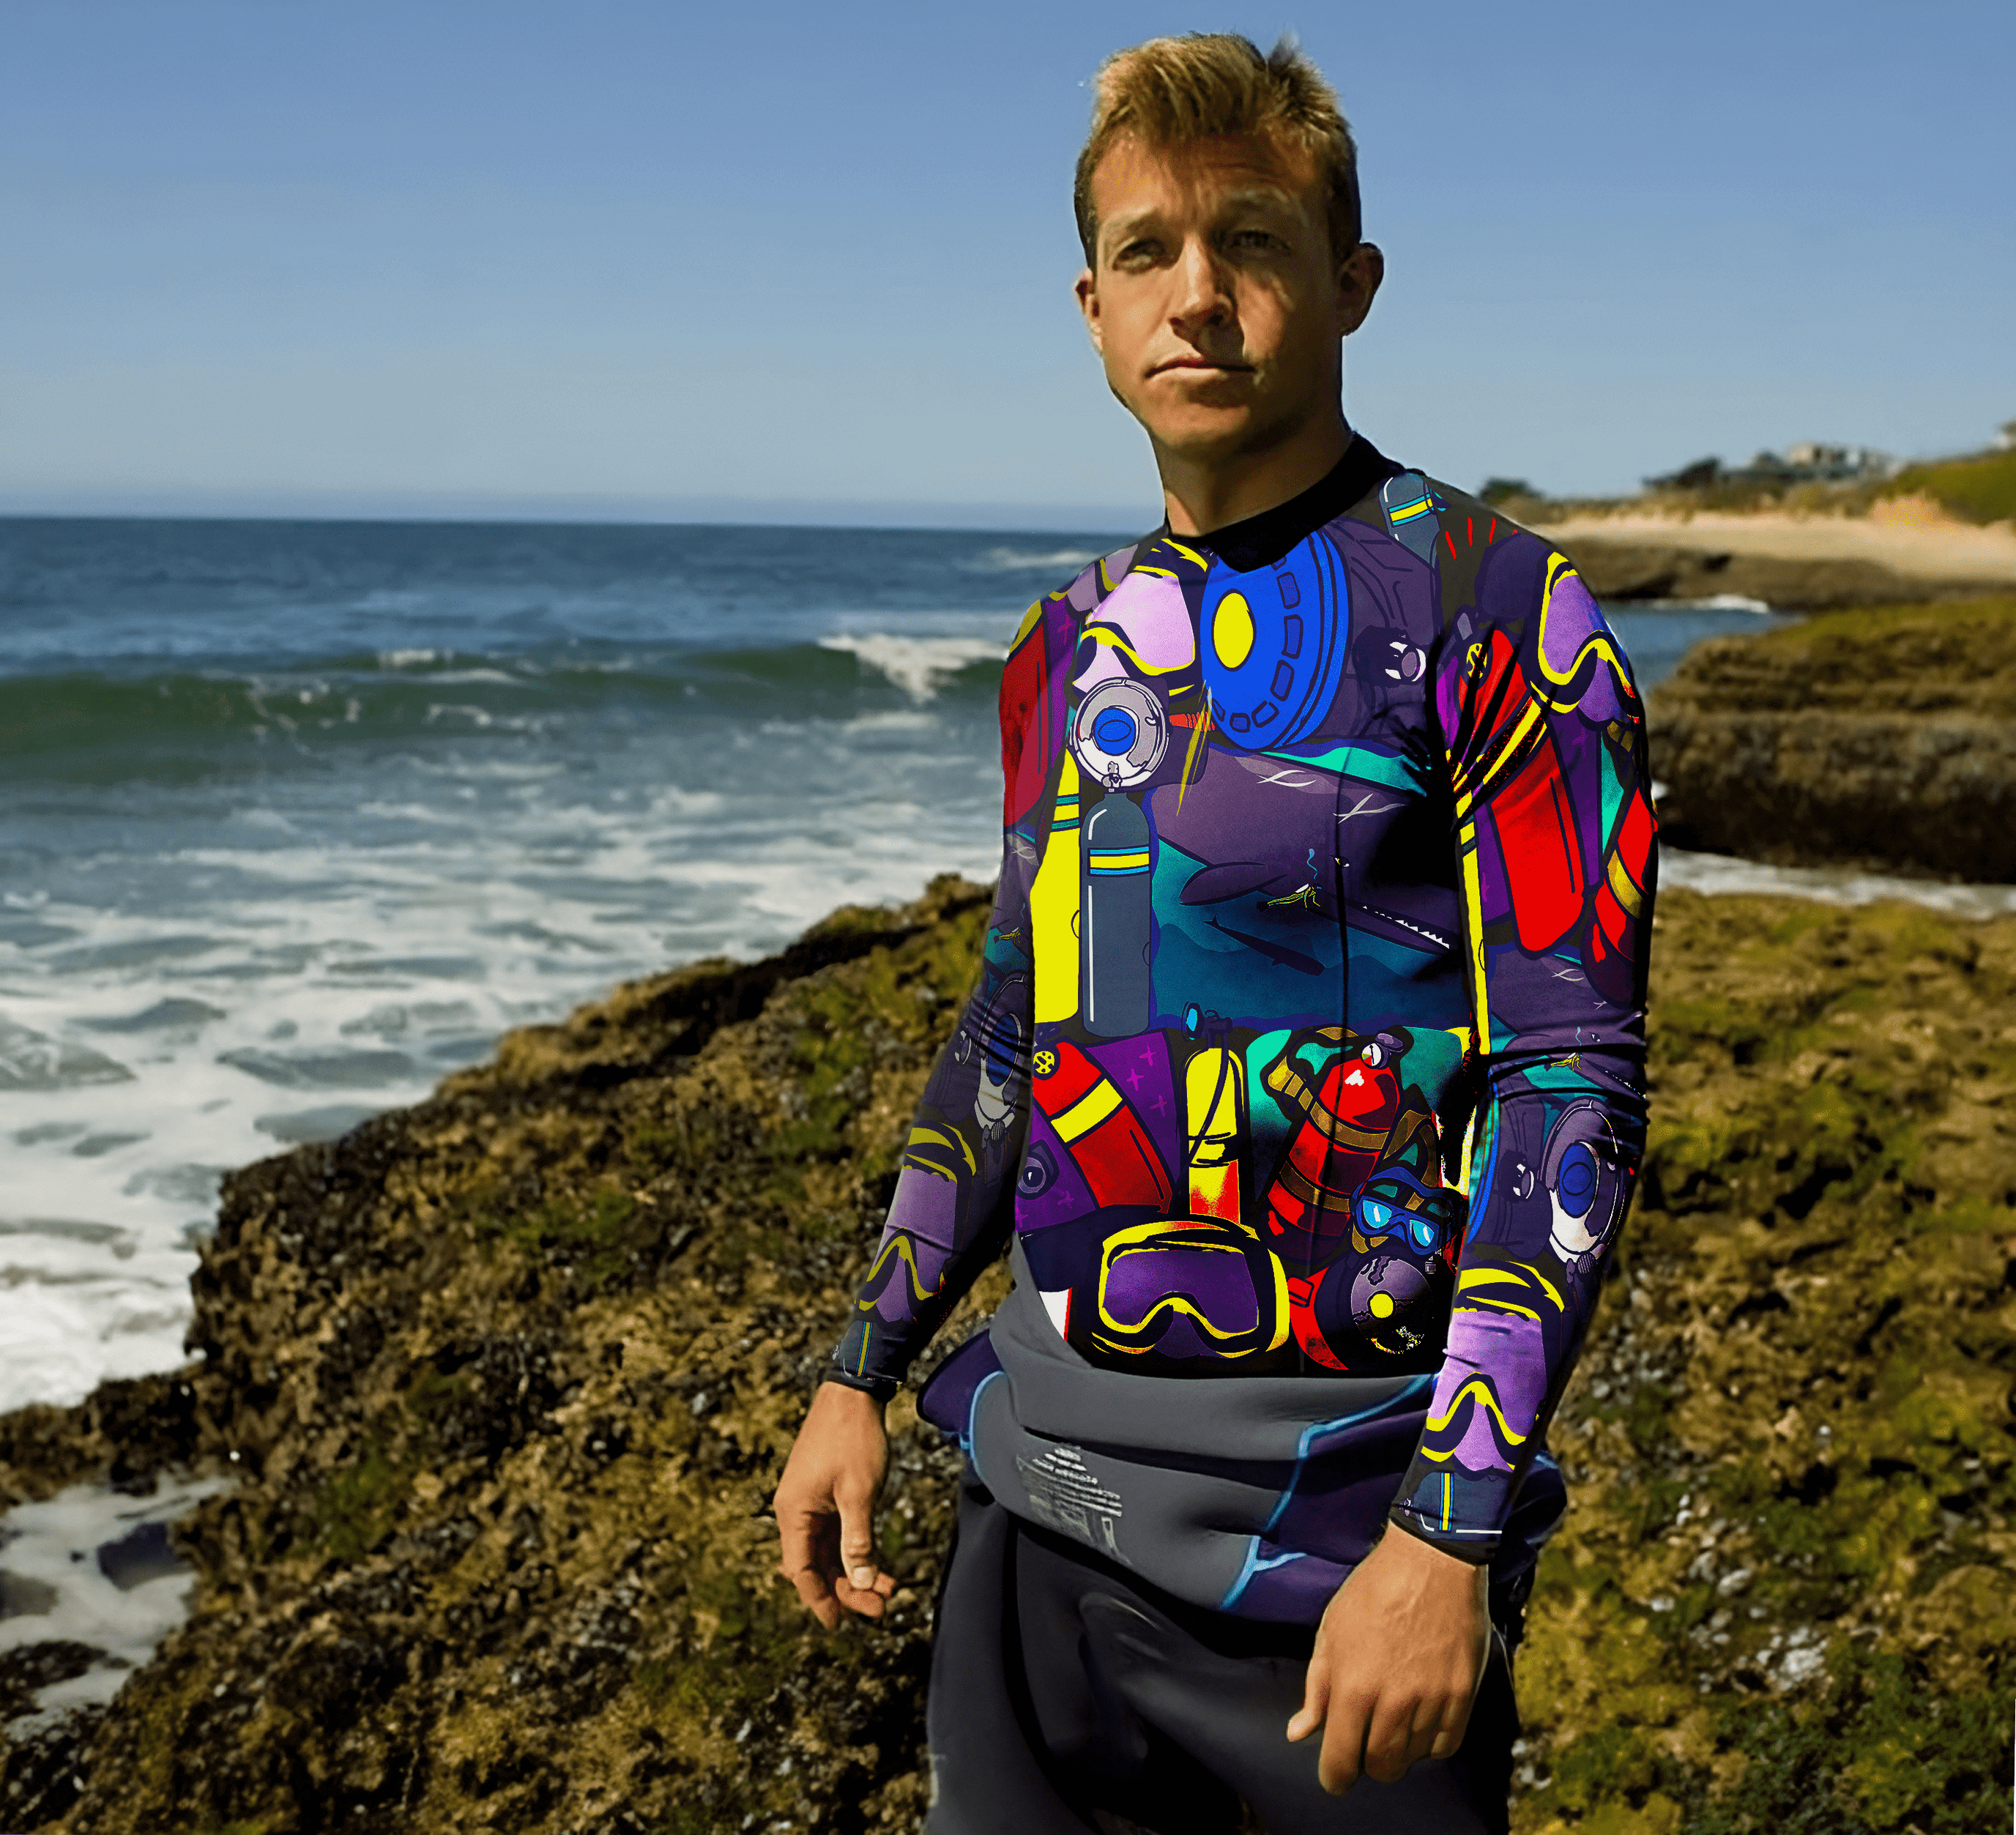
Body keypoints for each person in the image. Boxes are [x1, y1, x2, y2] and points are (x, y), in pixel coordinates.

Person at [770, 32, 1654, 1834]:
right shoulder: (1067, 644)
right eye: (1149, 252)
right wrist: (857, 1367)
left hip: (1343, 1567)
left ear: (1350, 282)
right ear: (1089, 306)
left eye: (1248, 243)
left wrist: (1449, 1534)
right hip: (1035, 1531)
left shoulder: (1504, 612)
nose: (1201, 296)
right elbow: (1016, 1039)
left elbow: (1571, 1088)